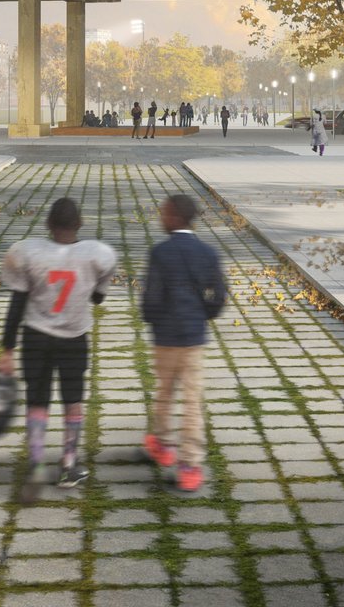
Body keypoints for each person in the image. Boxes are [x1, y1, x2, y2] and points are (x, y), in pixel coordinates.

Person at [0, 197, 118, 500]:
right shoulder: (96, 255)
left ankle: (36, 465)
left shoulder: (28, 253)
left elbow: (17, 304)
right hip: (73, 337)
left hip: (36, 336)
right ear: (80, 224)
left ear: (48, 225)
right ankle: (68, 464)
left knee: (37, 401)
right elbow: (98, 299)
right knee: (72, 399)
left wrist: (7, 348)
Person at [141, 194, 227, 494]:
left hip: (165, 337)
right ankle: (190, 465)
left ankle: (163, 445)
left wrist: (151, 319)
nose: (160, 218)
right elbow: (219, 296)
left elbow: (151, 297)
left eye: (163, 213)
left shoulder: (160, 252)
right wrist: (203, 316)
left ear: (176, 217)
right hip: (193, 339)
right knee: (192, 402)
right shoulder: (207, 253)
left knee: (164, 392)